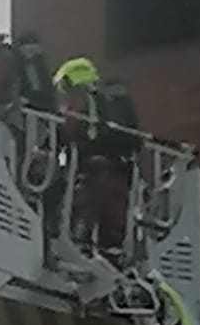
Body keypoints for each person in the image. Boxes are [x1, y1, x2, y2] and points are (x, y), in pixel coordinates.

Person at [52, 57, 138, 256]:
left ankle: (78, 250)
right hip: (121, 176)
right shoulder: (111, 105)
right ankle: (112, 256)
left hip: (93, 177)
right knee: (113, 231)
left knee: (80, 226)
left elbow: (66, 130)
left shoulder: (84, 101)